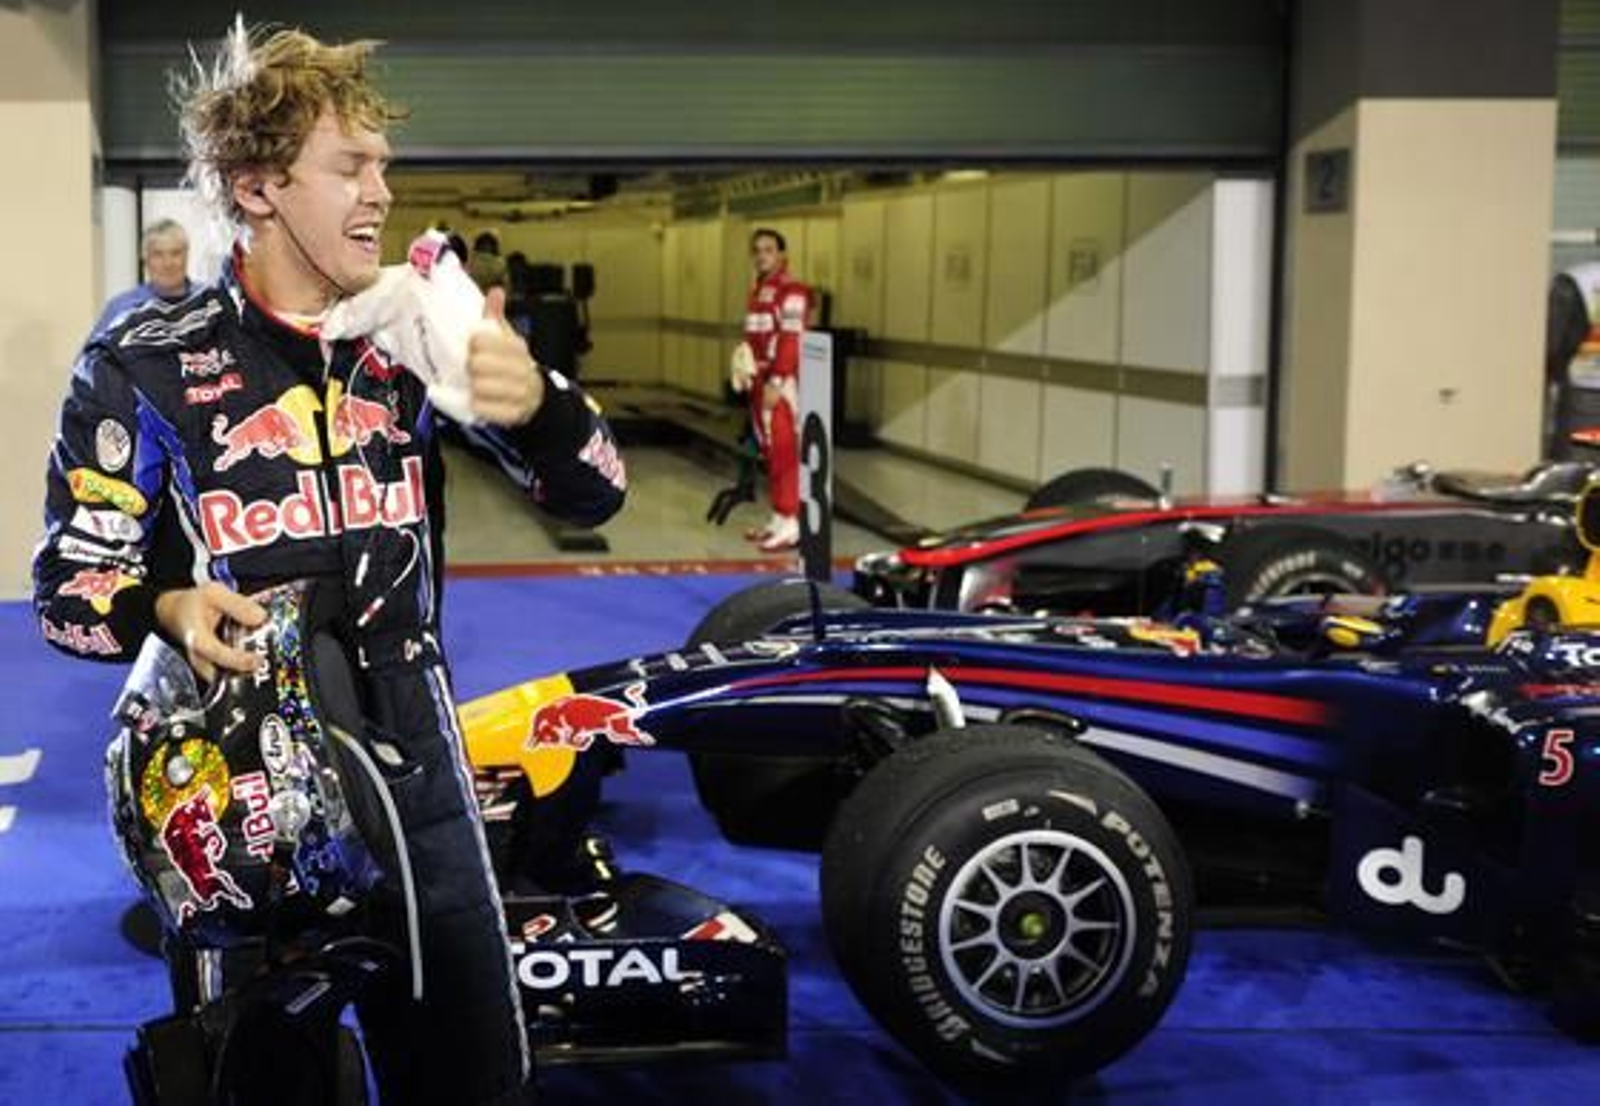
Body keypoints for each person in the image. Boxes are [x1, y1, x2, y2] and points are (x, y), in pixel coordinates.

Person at [33, 22, 625, 1105]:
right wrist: (164, 601)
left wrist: (538, 404)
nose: (381, 192)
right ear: (257, 187)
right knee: (255, 1084)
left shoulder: (410, 336)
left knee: (476, 1077)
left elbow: (595, 490)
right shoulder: (142, 364)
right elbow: (69, 598)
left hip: (418, 750)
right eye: (351, 165)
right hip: (240, 771)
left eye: (385, 166)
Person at [730, 228, 812, 551]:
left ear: (782, 255)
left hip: (782, 383)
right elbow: (755, 339)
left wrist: (778, 382)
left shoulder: (793, 291)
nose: (762, 255)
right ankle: (779, 517)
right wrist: (744, 362)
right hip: (760, 380)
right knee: (770, 451)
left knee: (785, 450)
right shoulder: (757, 291)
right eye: (757, 250)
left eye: (768, 249)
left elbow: (792, 340)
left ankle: (793, 523)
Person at [91, 217, 197, 335]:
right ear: (145, 259)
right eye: (158, 255)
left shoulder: (208, 302)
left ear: (187, 256)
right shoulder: (121, 309)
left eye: (175, 253)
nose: (168, 263)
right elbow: (93, 352)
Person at [1546, 263, 1600, 459]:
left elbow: (1553, 344)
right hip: (1586, 392)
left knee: (1578, 472)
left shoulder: (1579, 281)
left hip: (1586, 395)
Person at [468, 228, 509, 292]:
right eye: (484, 243)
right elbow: (505, 287)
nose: (486, 246)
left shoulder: (469, 260)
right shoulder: (500, 264)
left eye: (488, 244)